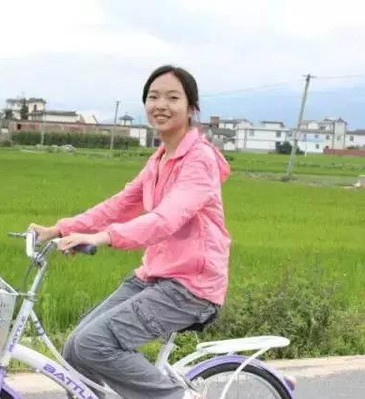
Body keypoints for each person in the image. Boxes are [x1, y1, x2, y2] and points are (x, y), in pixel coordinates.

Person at [29, 65, 231, 399]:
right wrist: (59, 228)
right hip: (155, 275)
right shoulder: (159, 159)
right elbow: (120, 204)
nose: (160, 104)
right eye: (153, 97)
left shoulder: (199, 160)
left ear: (191, 108)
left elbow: (167, 218)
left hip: (191, 287)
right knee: (77, 349)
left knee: (96, 343)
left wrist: (101, 237)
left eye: (172, 97)